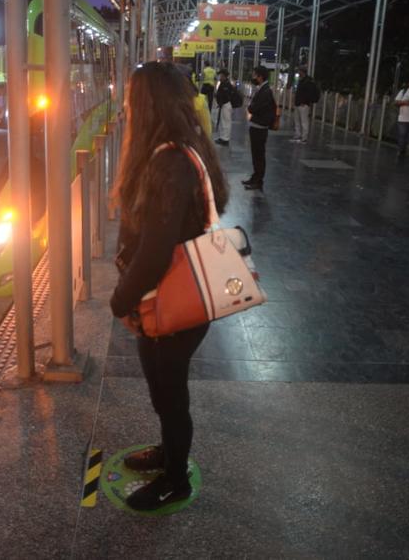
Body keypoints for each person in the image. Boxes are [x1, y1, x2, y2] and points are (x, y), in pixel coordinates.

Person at [110, 62, 229, 511]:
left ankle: (175, 478)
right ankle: (168, 451)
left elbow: (157, 251)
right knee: (163, 389)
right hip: (168, 296)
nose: (124, 102)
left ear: (146, 103)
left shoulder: (171, 162)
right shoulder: (185, 150)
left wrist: (119, 299)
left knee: (171, 393)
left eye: (129, 95)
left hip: (173, 299)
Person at [243, 66, 276, 191]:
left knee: (259, 154)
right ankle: (255, 176)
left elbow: (254, 108)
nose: (253, 77)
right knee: (256, 154)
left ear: (260, 76)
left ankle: (258, 180)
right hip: (256, 125)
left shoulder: (266, 91)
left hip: (260, 127)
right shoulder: (262, 89)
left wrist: (251, 107)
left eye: (254, 75)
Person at [291, 66, 319, 144]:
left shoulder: (308, 81)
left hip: (303, 104)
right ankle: (298, 135)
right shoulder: (301, 80)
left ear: (302, 71)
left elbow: (309, 93)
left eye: (299, 71)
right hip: (298, 103)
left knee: (304, 121)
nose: (298, 73)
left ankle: (304, 138)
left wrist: (305, 101)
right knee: (297, 120)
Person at [212, 69, 236, 146]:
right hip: (223, 105)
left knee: (226, 122)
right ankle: (222, 137)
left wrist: (218, 97)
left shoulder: (227, 84)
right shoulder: (223, 83)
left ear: (224, 76)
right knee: (223, 122)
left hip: (226, 105)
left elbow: (225, 95)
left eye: (221, 75)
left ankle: (225, 139)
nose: (219, 76)